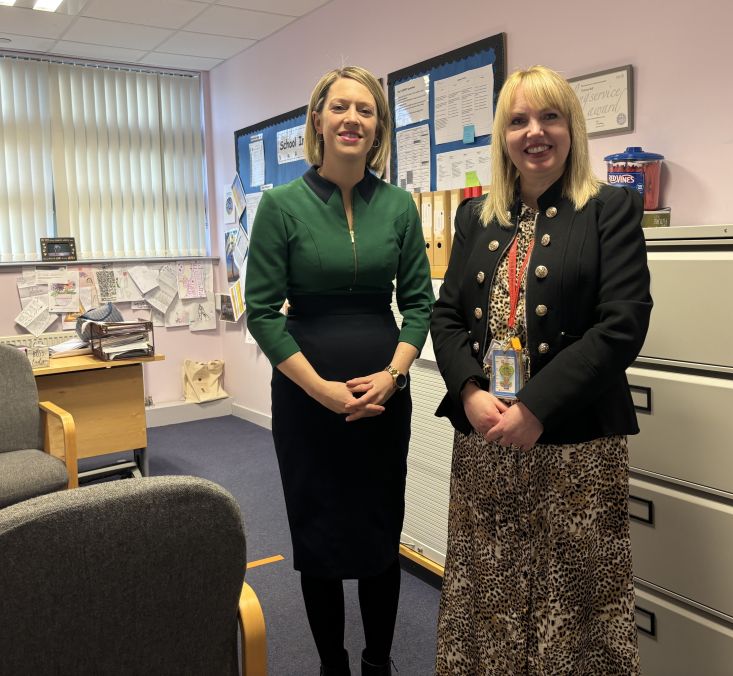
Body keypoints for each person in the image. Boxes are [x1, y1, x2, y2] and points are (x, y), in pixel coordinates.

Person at [431, 65, 653, 675]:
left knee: (575, 594)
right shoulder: (476, 218)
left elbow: (622, 323)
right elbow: (446, 314)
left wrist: (537, 407)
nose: (536, 132)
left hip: (574, 443)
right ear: (503, 135)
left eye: (550, 117)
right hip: (485, 437)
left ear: (572, 128)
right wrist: (470, 391)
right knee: (489, 585)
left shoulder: (610, 208)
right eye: (519, 120)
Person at [245, 66, 434, 676]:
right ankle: (333, 665)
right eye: (341, 107)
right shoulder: (281, 206)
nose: (353, 119)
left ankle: (379, 662)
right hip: (306, 401)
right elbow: (263, 312)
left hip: (384, 399)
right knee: (319, 537)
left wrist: (395, 374)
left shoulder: (400, 206)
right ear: (319, 120)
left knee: (381, 534)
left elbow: (419, 304)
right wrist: (321, 389)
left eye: (367, 110)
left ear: (379, 127)